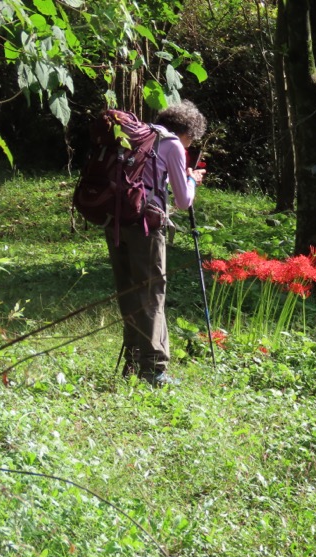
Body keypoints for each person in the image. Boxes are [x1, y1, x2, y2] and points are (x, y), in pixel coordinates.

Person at [106, 100, 207, 387]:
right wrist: (191, 179)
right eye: (191, 140)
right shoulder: (172, 144)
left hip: (114, 220)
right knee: (152, 293)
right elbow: (183, 200)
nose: (188, 146)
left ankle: (132, 360)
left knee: (128, 291)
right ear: (186, 131)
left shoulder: (135, 135)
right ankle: (155, 371)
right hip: (145, 225)